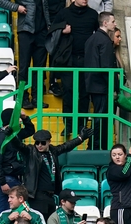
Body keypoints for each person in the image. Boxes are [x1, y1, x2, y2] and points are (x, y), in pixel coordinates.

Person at [20, 128, 92, 218]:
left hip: (51, 196)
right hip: (37, 196)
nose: (39, 145)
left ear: (49, 142)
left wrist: (80, 138)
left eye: (43, 143)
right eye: (37, 142)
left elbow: (66, 146)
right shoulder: (31, 152)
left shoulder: (52, 151)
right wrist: (10, 136)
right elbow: (19, 146)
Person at [52, 0, 98, 135]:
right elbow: (52, 32)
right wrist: (62, 31)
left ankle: (81, 126)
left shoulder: (93, 14)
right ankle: (68, 125)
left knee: (84, 95)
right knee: (68, 93)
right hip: (68, 60)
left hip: (87, 61)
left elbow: (99, 33)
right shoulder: (64, 13)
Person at [0, 0, 49, 109]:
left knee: (40, 68)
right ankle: (23, 98)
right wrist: (16, 7)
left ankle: (37, 98)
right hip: (25, 30)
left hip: (42, 31)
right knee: (24, 66)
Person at [0, 109, 36, 217]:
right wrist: (2, 182)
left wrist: (26, 118)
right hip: (7, 178)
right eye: (18, 118)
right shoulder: (2, 136)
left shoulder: (13, 134)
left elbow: (30, 130)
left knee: (12, 210)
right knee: (6, 210)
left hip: (13, 176)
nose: (20, 120)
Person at [84, 12, 117, 150]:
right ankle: (97, 145)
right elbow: (107, 66)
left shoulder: (91, 39)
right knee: (101, 119)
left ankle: (94, 144)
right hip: (102, 86)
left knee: (98, 116)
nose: (115, 24)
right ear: (105, 23)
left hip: (92, 83)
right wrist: (114, 86)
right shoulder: (105, 41)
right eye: (113, 21)